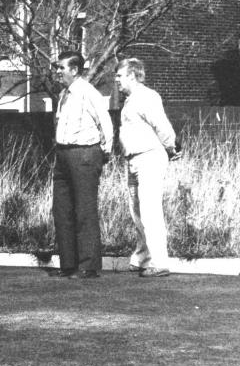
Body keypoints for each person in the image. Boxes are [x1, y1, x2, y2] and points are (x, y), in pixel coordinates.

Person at [51, 50, 114, 279]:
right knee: (62, 209)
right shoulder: (63, 94)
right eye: (57, 67)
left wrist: (105, 151)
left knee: (84, 210)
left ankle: (88, 266)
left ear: (74, 70)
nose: (57, 71)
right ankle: (69, 263)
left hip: (84, 154)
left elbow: (105, 122)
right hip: (63, 154)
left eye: (61, 68)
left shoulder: (88, 92)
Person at [115, 57, 178, 278]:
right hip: (133, 159)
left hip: (149, 157)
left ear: (132, 75)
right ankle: (143, 257)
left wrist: (172, 148)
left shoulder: (147, 97)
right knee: (137, 211)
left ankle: (160, 262)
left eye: (120, 76)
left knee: (150, 210)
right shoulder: (130, 100)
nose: (117, 80)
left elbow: (162, 126)